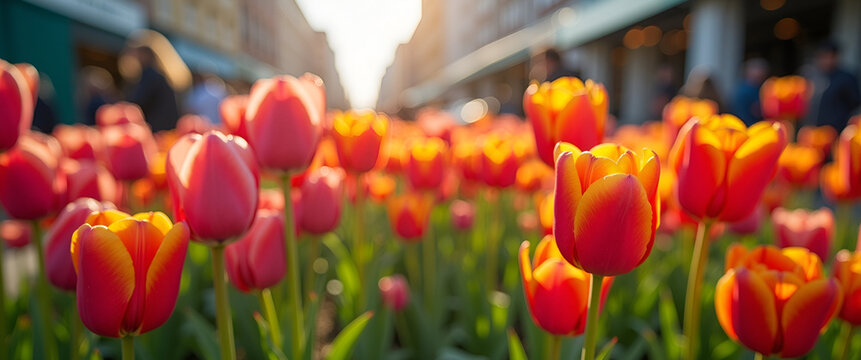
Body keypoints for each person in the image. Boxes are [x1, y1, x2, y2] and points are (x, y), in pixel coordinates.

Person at [126, 45, 180, 132]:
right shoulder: (161, 75)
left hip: (154, 128)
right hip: (164, 127)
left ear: (145, 55)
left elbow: (140, 100)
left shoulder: (150, 75)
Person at [810, 41, 860, 132]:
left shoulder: (846, 78)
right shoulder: (814, 77)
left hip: (839, 130)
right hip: (817, 133)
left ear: (836, 57)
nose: (827, 61)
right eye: (824, 57)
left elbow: (855, 104)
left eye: (830, 57)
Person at [732, 58, 768, 126]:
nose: (761, 73)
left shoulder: (761, 88)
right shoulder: (743, 91)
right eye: (758, 69)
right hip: (747, 126)